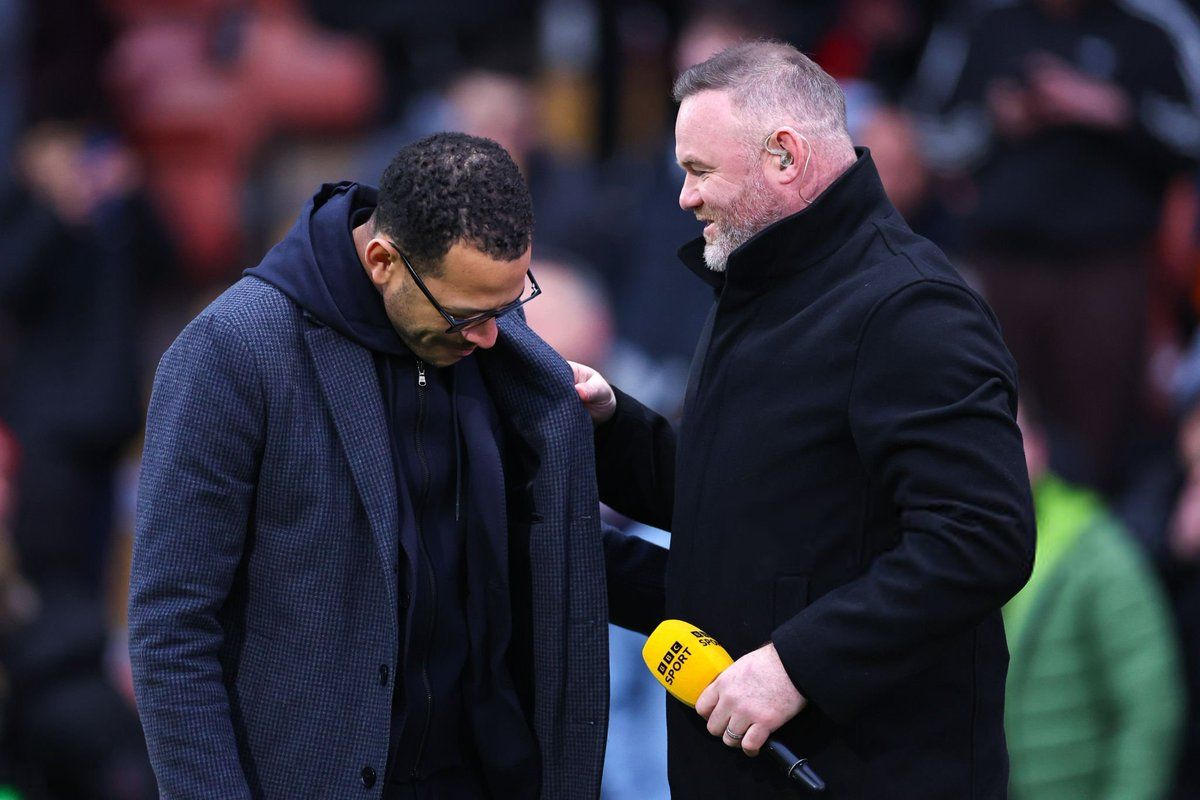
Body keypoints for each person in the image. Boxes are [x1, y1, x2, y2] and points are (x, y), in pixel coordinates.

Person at [128, 133, 667, 800]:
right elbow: (172, 631)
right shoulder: (232, 352)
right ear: (383, 260)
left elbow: (550, 548)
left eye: (508, 306)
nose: (491, 336)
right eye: (466, 316)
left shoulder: (484, 338)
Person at [571, 41, 1035, 799]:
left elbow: (981, 536)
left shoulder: (910, 307)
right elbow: (749, 510)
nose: (683, 198)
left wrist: (797, 666)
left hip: (868, 772)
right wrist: (606, 424)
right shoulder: (765, 282)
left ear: (784, 157)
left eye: (697, 171)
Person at [1004, 407, 1183, 800]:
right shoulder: (953, 555)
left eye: (1007, 435)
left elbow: (1150, 705)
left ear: (1038, 448)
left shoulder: (1098, 554)